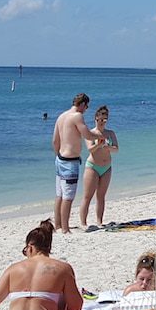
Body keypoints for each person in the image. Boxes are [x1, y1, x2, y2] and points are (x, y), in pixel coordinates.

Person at [51, 93, 97, 234]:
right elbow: (87, 135)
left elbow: (55, 141)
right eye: (86, 106)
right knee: (68, 197)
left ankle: (58, 224)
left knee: (59, 194)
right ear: (82, 104)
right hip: (69, 162)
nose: (86, 109)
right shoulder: (77, 116)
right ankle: (65, 228)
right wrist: (100, 136)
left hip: (60, 159)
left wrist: (58, 155)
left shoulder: (61, 116)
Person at [80, 105, 118, 231]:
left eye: (105, 119)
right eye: (100, 119)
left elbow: (116, 149)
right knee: (87, 196)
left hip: (106, 167)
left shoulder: (110, 133)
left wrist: (108, 148)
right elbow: (90, 149)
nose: (102, 122)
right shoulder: (91, 133)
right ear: (95, 119)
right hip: (93, 166)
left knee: (101, 196)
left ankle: (99, 221)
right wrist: (98, 144)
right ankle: (83, 222)